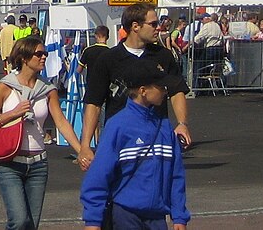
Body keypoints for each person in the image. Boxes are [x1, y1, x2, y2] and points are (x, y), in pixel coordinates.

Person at [79, 3, 191, 171]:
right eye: (153, 24)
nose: (158, 28)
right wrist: (85, 145)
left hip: (155, 135)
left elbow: (176, 91)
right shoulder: (108, 59)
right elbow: (94, 103)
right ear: (135, 26)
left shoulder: (163, 56)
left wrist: (182, 123)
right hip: (120, 137)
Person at [79, 60, 189, 230]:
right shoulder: (118, 125)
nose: (165, 91)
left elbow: (176, 175)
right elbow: (99, 175)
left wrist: (179, 216)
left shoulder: (165, 127)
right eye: (160, 87)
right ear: (143, 91)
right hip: (125, 215)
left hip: (157, 218)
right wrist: (93, 221)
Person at [0, 36, 82, 230]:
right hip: (10, 162)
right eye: (39, 54)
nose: (43, 58)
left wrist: (81, 150)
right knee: (18, 220)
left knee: (31, 224)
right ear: (24, 57)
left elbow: (61, 121)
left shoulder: (47, 89)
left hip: (38, 163)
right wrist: (13, 114)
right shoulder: (5, 86)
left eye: (45, 54)